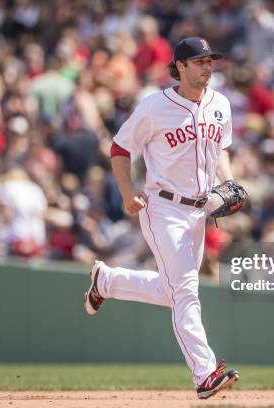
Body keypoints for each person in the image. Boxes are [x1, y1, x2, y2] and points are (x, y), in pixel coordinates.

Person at [83, 37, 240, 399]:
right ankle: (204, 375)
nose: (207, 66)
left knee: (171, 290)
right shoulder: (155, 106)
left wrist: (228, 182)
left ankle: (106, 281)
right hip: (163, 206)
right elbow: (121, 148)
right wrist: (126, 190)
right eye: (199, 61)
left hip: (202, 210)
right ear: (180, 67)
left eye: (209, 60)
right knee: (186, 290)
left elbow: (221, 152)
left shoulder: (221, 104)